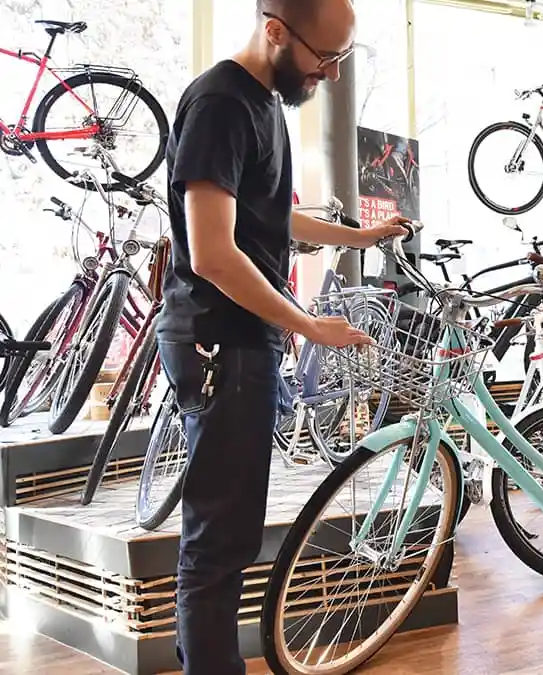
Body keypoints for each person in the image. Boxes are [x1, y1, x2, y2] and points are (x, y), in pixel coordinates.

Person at [155, 2, 411, 673]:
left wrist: (357, 236)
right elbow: (213, 253)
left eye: (340, 60)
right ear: (274, 31)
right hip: (222, 343)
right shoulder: (220, 104)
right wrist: (306, 323)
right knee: (219, 539)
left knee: (225, 534)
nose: (328, 73)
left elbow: (270, 218)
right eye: (323, 58)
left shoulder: (264, 102)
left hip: (243, 342)